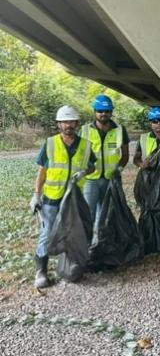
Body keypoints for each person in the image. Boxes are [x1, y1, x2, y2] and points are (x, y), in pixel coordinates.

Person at [30, 106, 96, 288]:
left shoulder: (85, 145)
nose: (68, 125)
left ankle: (70, 266)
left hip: (74, 198)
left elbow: (93, 166)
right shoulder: (50, 144)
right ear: (59, 124)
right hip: (52, 198)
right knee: (47, 232)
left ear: (76, 124)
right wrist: (36, 194)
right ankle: (41, 271)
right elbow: (41, 172)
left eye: (71, 122)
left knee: (73, 231)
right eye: (65, 122)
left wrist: (84, 171)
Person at [80, 94, 129, 226]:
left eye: (107, 111)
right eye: (100, 111)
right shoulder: (84, 131)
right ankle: (88, 244)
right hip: (90, 179)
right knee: (88, 213)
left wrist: (118, 169)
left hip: (110, 179)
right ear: (94, 112)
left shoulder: (120, 131)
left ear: (111, 112)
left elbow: (125, 155)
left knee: (106, 214)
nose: (103, 114)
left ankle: (101, 243)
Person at [133, 107, 160, 185]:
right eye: (155, 121)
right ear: (150, 123)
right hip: (149, 181)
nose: (159, 123)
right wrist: (142, 164)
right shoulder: (143, 138)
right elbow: (136, 158)